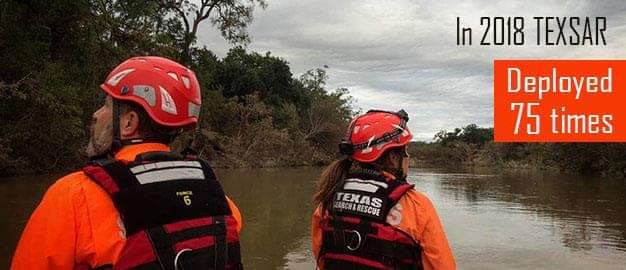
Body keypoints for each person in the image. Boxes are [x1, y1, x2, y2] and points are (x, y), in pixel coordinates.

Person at [11, 56, 243, 269]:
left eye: (106, 105)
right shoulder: (222, 203)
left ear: (128, 123)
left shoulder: (73, 196)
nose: (96, 114)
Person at [311, 109, 456, 270]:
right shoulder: (417, 206)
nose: (407, 158)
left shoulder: (329, 197)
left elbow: (320, 257)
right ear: (393, 158)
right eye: (405, 152)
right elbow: (443, 266)